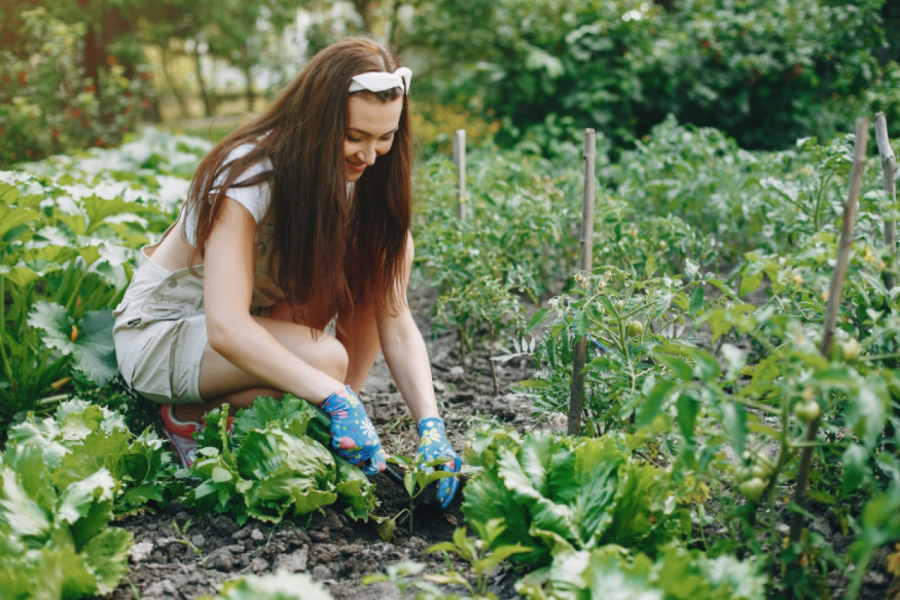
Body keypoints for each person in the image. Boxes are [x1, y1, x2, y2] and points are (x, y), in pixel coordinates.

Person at [111, 37, 461, 508]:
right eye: (354, 136)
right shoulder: (247, 175)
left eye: (385, 138)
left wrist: (431, 427)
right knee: (326, 361)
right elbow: (227, 328)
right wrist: (334, 394)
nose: (369, 156)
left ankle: (329, 434)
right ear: (317, 122)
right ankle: (185, 416)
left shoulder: (359, 186)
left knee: (380, 254)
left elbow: (396, 324)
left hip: (249, 331)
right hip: (166, 332)